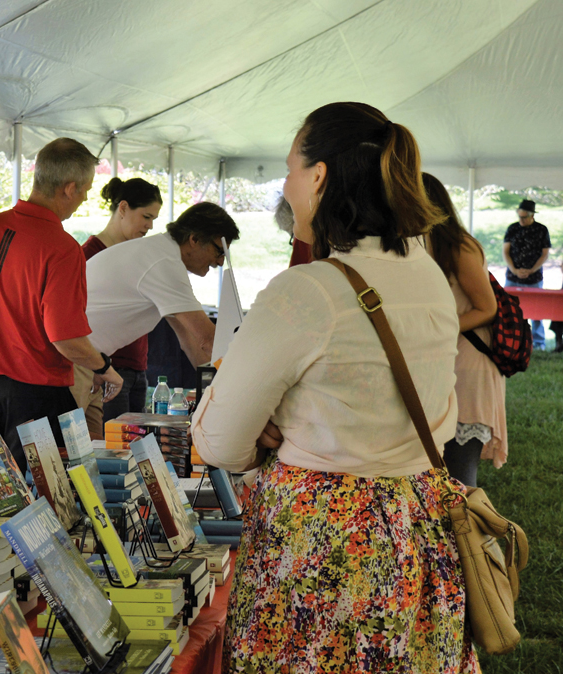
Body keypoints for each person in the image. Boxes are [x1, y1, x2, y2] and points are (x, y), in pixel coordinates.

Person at [192, 102, 478, 672]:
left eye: (291, 169)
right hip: (417, 525)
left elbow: (219, 441)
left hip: (322, 543)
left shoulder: (307, 292)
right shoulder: (425, 271)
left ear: (319, 176)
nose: (287, 186)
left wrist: (269, 435)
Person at [0, 138, 124, 472]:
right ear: (69, 188)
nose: (87, 197)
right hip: (36, 399)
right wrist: (104, 367)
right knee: (45, 507)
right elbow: (65, 338)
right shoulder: (61, 248)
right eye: (86, 189)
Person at [82, 201, 238, 436]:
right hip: (71, 356)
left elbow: (190, 341)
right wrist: (237, 391)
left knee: (89, 454)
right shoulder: (163, 262)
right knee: (64, 457)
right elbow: (207, 339)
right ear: (194, 239)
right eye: (219, 251)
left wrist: (215, 390)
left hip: (86, 359)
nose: (219, 262)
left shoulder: (161, 254)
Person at [422, 173, 506, 486]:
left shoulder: (459, 246)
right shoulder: (419, 245)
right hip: (444, 361)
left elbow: (487, 309)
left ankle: (469, 535)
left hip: (469, 367)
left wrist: (433, 329)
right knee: (435, 476)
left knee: (459, 481)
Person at [77, 177, 162, 435]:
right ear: (123, 208)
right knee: (114, 449)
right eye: (145, 216)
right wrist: (96, 366)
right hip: (105, 368)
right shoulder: (89, 253)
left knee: (137, 448)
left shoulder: (138, 254)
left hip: (138, 366)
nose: (149, 226)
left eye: (154, 220)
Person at [503, 198, 551, 350]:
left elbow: (545, 254)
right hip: (512, 277)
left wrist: (532, 270)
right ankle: (510, 339)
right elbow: (505, 252)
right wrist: (514, 270)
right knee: (509, 309)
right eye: (520, 217)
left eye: (524, 217)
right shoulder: (512, 228)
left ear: (532, 216)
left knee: (537, 310)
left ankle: (538, 342)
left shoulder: (542, 230)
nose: (521, 220)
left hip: (534, 277)